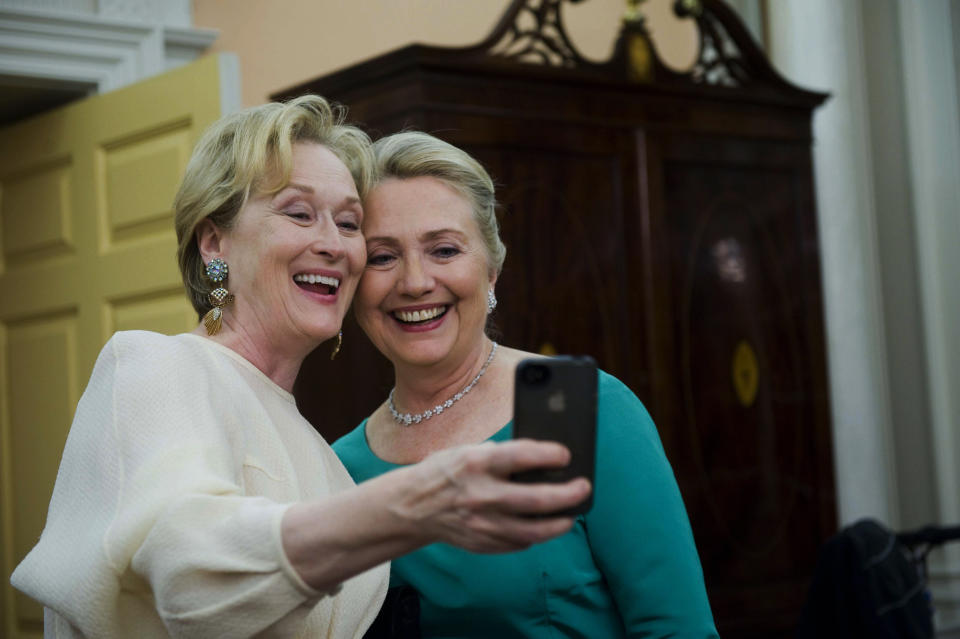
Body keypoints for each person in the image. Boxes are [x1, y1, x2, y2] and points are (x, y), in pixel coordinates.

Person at [9, 97, 591, 639]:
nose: (334, 244)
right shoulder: (156, 367)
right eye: (299, 213)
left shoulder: (323, 455)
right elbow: (188, 572)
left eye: (348, 221)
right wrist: (414, 504)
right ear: (215, 243)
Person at [334, 131, 720, 637]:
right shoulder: (341, 467)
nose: (415, 282)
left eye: (444, 250)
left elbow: (676, 628)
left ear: (491, 269)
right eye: (383, 257)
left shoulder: (571, 405)